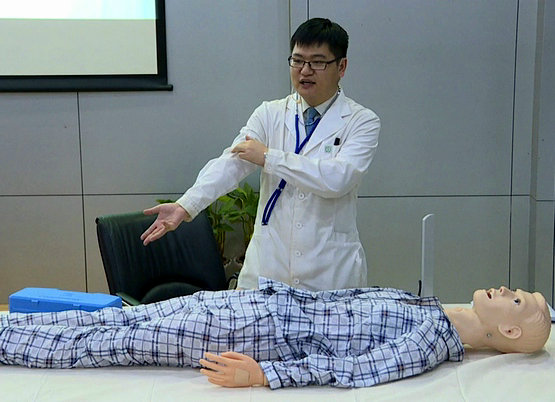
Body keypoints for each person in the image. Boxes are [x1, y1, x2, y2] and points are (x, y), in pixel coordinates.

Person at [140, 18, 381, 291]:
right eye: (297, 60)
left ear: (342, 67)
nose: (305, 71)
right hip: (268, 268)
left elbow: (337, 179)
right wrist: (186, 205)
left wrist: (269, 157)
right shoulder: (270, 113)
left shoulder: (361, 121)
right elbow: (231, 163)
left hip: (329, 273)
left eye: (317, 62)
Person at [0, 279, 550, 389]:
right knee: (116, 320)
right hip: (252, 303)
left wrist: (266, 375)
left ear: (507, 328)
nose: (508, 289)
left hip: (256, 330)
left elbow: (353, 371)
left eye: (517, 300)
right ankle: (9, 326)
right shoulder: (433, 308)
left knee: (107, 344)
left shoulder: (430, 341)